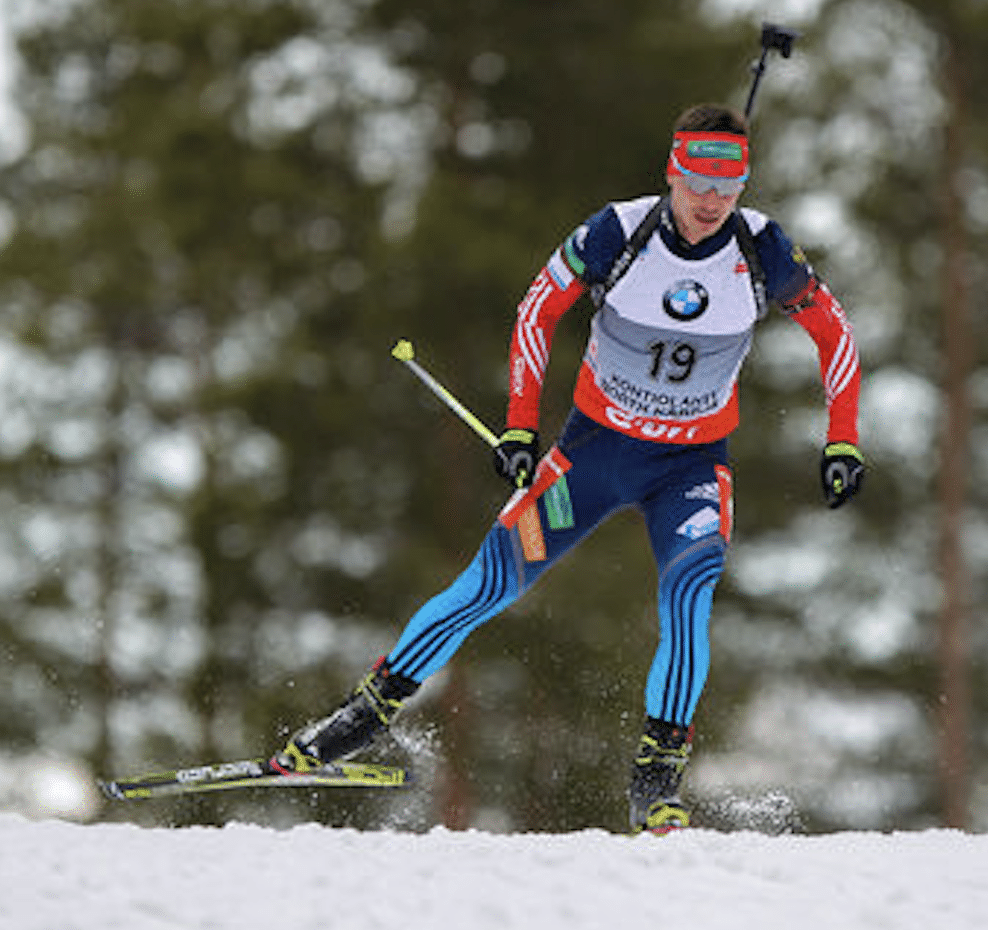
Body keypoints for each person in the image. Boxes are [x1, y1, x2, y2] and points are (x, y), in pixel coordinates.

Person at [268, 103, 865, 834]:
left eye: (730, 182)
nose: (712, 200)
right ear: (672, 171)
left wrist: (842, 440)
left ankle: (656, 777)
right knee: (488, 583)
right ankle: (365, 714)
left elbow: (834, 333)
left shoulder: (763, 246)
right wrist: (520, 427)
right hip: (592, 458)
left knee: (690, 596)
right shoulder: (618, 231)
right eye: (699, 179)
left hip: (691, 470)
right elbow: (535, 311)